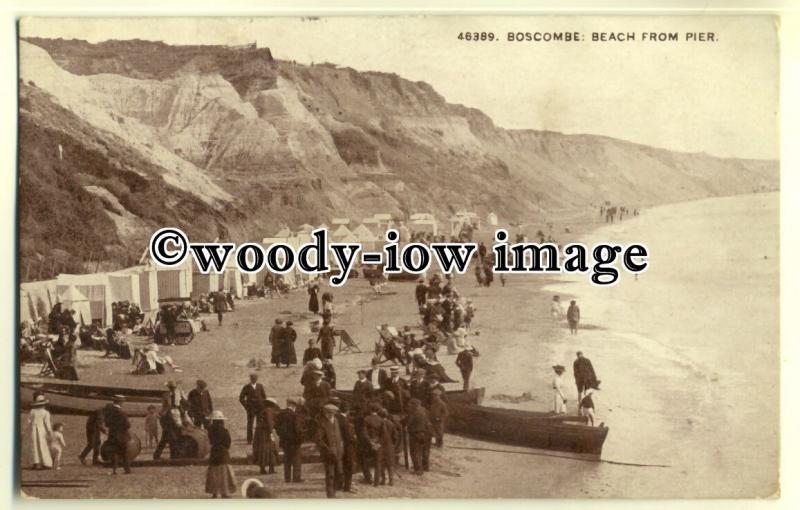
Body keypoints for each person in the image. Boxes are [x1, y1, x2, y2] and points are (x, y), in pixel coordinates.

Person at [315, 404, 344, 498]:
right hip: (328, 453)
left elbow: (339, 437)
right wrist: (327, 450)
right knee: (330, 474)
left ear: (335, 413)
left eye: (332, 413)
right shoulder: (322, 424)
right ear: (325, 413)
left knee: (339, 472)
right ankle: (330, 495)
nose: (330, 415)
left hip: (338, 452)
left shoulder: (336, 421)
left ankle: (334, 490)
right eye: (328, 413)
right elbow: (319, 440)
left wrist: (341, 448)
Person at [206, 411, 237, 498]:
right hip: (223, 453)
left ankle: (214, 492)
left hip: (214, 452)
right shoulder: (224, 430)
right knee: (224, 474)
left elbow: (210, 441)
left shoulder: (210, 430)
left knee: (214, 473)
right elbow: (228, 442)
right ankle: (224, 492)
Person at [154, 380, 187, 460]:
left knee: (171, 436)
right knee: (169, 436)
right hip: (168, 417)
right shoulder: (166, 395)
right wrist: (162, 414)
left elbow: (182, 404)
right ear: (169, 387)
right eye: (171, 387)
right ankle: (167, 455)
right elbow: (165, 406)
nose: (172, 388)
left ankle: (171, 455)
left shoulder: (179, 394)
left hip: (176, 415)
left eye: (174, 387)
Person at [275, 398, 305, 483]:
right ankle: (296, 478)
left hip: (284, 441)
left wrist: (281, 435)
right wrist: (301, 439)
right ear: (293, 406)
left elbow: (276, 426)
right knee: (296, 460)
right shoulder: (295, 416)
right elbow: (298, 429)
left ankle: (287, 478)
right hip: (294, 442)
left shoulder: (281, 414)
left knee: (287, 460)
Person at [363, 403, 393, 486]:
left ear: (370, 410)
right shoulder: (381, 420)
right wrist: (378, 443)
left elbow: (364, 433)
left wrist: (371, 442)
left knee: (365, 461)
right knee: (378, 462)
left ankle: (369, 479)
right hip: (378, 444)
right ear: (378, 410)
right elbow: (384, 434)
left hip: (369, 444)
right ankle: (376, 482)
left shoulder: (366, 419)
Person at [105, 395, 132, 474]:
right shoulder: (122, 413)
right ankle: (127, 470)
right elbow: (127, 425)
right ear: (120, 402)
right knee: (124, 453)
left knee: (114, 452)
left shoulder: (109, 412)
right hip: (122, 435)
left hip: (112, 435)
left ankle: (114, 470)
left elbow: (107, 423)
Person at [406, 398, 433, 475]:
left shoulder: (414, 412)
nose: (409, 406)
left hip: (415, 434)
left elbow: (409, 422)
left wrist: (404, 422)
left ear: (415, 404)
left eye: (410, 404)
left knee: (415, 452)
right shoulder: (424, 410)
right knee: (424, 451)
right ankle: (425, 467)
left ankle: (418, 469)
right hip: (425, 434)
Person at [239, 374, 267, 444]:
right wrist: (246, 406)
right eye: (252, 379)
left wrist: (263, 405)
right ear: (250, 379)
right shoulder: (246, 387)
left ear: (257, 379)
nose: (254, 380)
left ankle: (258, 439)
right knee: (250, 424)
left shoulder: (260, 386)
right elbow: (241, 398)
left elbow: (264, 396)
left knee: (259, 424)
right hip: (251, 409)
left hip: (260, 408)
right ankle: (249, 440)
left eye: (255, 379)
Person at [252, 399, 278, 474]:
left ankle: (262, 468)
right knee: (270, 450)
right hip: (265, 433)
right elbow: (269, 423)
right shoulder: (268, 411)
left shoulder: (263, 410)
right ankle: (271, 468)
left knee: (262, 450)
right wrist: (271, 433)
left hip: (260, 433)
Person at [29, 395, 53, 469]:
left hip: (33, 428)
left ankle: (37, 463)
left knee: (35, 445)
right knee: (43, 445)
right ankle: (46, 463)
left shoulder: (32, 411)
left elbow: (29, 421)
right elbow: (47, 424)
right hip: (41, 429)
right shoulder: (46, 413)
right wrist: (50, 432)